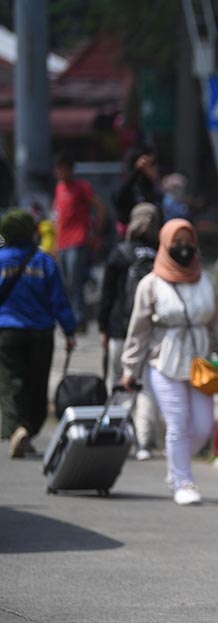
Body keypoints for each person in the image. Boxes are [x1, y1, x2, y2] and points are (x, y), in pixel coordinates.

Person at [120, 219, 218, 506]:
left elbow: (215, 327)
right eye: (177, 243)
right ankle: (183, 481)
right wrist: (129, 369)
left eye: (189, 242)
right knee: (177, 422)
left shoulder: (205, 280)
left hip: (200, 364)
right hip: (163, 362)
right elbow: (138, 331)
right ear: (164, 245)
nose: (184, 249)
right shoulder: (150, 284)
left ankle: (177, 466)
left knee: (201, 426)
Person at [0, 210, 77, 457]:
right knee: (37, 383)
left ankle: (15, 428)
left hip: (8, 331)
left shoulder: (1, 259)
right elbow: (59, 301)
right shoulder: (44, 261)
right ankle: (28, 428)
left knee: (11, 383)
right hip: (41, 333)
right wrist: (70, 330)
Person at [98, 202, 165, 461]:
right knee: (145, 385)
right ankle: (144, 444)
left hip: (119, 328)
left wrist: (103, 326)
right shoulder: (162, 254)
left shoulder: (119, 253)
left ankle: (119, 435)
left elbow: (107, 295)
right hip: (149, 331)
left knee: (119, 380)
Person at [52, 152, 106, 329]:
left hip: (78, 240)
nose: (61, 172)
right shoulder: (59, 188)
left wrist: (95, 234)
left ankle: (79, 318)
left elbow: (100, 208)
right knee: (65, 283)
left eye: (64, 168)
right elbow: (56, 215)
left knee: (75, 282)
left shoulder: (82, 187)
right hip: (62, 243)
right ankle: (69, 317)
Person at [113, 147, 162, 230]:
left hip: (151, 233)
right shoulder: (130, 186)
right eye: (151, 164)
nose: (155, 168)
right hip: (128, 234)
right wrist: (137, 171)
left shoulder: (153, 187)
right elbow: (119, 198)